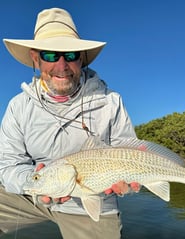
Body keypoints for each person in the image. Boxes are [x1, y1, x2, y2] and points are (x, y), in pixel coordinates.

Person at [0, 8, 139, 239]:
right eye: (51, 55)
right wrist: (33, 181)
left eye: (71, 55)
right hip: (31, 195)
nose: (62, 65)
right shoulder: (18, 106)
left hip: (92, 202)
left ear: (81, 57)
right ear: (36, 58)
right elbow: (7, 164)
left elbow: (130, 154)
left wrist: (129, 182)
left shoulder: (111, 102)